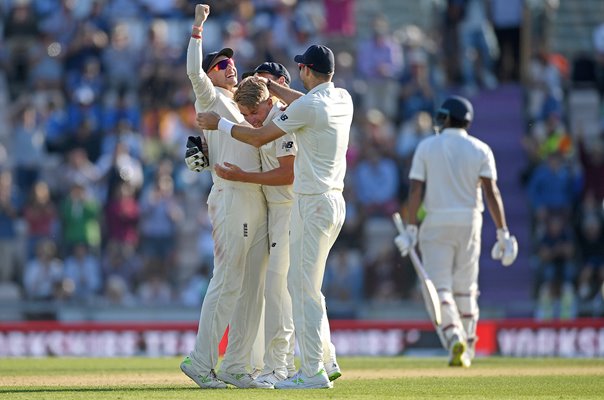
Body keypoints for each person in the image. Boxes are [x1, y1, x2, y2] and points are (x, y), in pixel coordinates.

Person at [196, 44, 353, 389]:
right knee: (304, 287)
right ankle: (323, 360)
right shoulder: (341, 97)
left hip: (307, 204)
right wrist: (269, 86)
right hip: (329, 203)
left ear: (307, 71)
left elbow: (260, 136)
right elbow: (301, 100)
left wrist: (219, 124)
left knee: (293, 289)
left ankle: (303, 370)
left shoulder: (303, 109)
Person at [179, 4, 268, 390]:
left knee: (252, 287)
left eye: (231, 63)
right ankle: (201, 362)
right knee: (228, 280)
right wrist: (198, 28)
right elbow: (193, 72)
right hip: (232, 195)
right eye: (222, 65)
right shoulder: (210, 98)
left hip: (255, 197)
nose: (228, 67)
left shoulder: (240, 102)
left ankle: (235, 365)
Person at [393, 95, 517, 367]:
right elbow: (491, 192)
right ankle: (469, 346)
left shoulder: (427, 147)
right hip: (471, 221)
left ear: (447, 118)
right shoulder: (481, 148)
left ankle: (454, 337)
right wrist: (502, 232)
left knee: (440, 290)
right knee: (466, 289)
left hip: (436, 222)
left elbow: (416, 189)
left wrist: (412, 227)